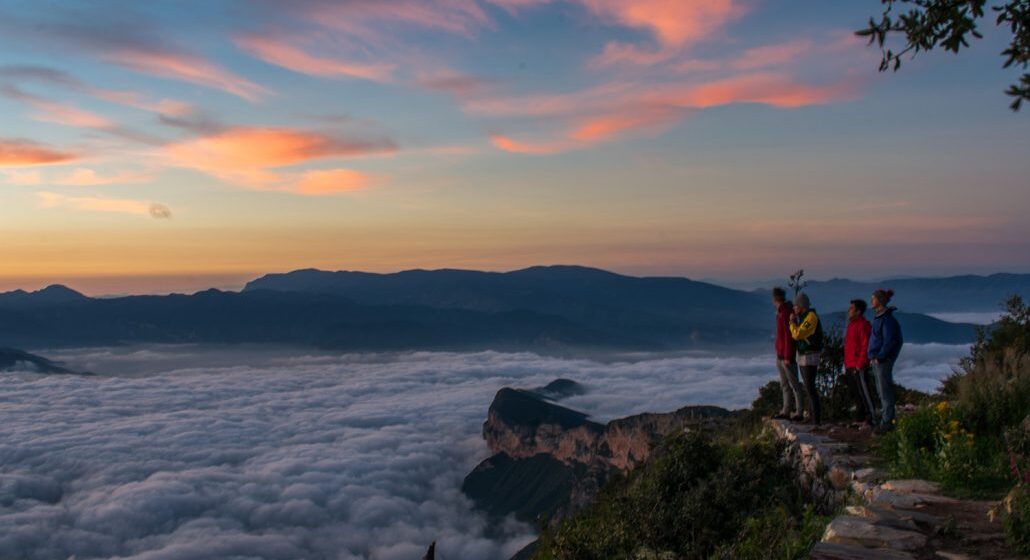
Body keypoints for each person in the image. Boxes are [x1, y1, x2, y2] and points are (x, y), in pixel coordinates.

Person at [868, 288, 904, 434]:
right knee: (881, 390)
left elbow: (889, 341)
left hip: (882, 360)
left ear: (880, 301)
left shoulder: (887, 320)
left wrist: (881, 356)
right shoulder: (880, 318)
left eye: (874, 298)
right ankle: (885, 420)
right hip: (877, 359)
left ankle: (887, 423)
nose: (871, 300)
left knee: (884, 391)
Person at [789, 293, 823, 424]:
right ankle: (812, 417)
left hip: (810, 356)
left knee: (810, 388)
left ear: (802, 306)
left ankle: (816, 421)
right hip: (803, 355)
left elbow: (798, 334)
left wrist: (791, 322)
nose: (794, 309)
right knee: (808, 388)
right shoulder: (803, 317)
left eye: (795, 306)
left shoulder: (811, 317)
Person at [772, 287, 804, 420]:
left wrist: (787, 356)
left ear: (775, 299)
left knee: (794, 384)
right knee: (785, 384)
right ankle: (786, 410)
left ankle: (799, 412)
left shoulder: (785, 313)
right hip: (780, 354)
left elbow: (789, 336)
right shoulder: (781, 312)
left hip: (785, 356)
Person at [843, 299, 876, 427]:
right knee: (856, 393)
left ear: (858, 311)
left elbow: (865, 346)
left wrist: (860, 363)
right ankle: (861, 418)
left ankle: (871, 419)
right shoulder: (852, 325)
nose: (848, 311)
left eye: (851, 308)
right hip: (850, 364)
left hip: (858, 365)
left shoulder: (863, 325)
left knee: (864, 391)